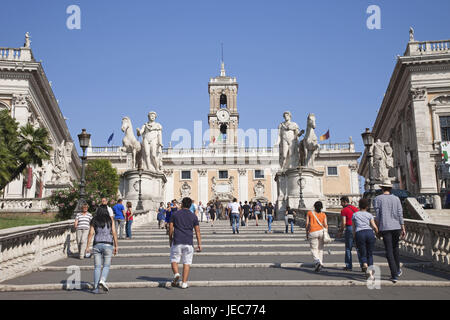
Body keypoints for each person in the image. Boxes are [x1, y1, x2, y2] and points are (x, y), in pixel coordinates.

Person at [373, 181, 406, 283]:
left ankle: (394, 274)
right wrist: (403, 227)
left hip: (385, 227)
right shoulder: (396, 199)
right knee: (395, 248)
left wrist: (377, 229)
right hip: (396, 227)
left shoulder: (377, 199)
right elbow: (400, 213)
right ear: (390, 189)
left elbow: (377, 216)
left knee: (389, 251)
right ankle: (397, 269)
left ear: (382, 188)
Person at [169, 197, 202, 289]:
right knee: (187, 263)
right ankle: (184, 283)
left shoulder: (175, 214)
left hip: (177, 240)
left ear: (182, 204)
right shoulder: (193, 216)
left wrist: (170, 239)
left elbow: (170, 228)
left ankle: (176, 273)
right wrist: (199, 244)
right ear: (190, 205)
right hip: (188, 242)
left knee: (174, 260)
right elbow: (197, 231)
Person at [85, 203, 119, 294]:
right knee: (106, 265)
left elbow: (91, 233)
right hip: (108, 244)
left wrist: (87, 246)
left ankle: (95, 288)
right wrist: (116, 246)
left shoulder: (94, 219)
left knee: (97, 267)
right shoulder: (110, 220)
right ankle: (102, 280)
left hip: (97, 244)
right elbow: (114, 233)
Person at [352, 198, 379, 280]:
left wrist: (354, 237)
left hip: (359, 233)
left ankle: (365, 264)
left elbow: (353, 228)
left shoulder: (355, 215)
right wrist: (377, 233)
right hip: (369, 233)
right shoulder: (369, 215)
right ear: (367, 206)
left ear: (359, 206)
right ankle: (371, 274)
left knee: (362, 252)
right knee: (370, 254)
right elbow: (374, 226)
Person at [338, 196, 361, 271]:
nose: (340, 204)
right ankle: (363, 264)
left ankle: (348, 265)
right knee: (358, 248)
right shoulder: (355, 209)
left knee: (348, 248)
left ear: (344, 202)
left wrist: (341, 231)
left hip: (349, 228)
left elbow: (344, 222)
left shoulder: (344, 210)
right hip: (357, 228)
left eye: (341, 202)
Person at [306, 201, 328, 272]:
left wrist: (306, 233)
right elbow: (325, 225)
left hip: (312, 231)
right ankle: (321, 263)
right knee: (320, 248)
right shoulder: (323, 214)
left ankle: (317, 261)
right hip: (321, 232)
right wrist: (326, 233)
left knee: (313, 249)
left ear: (314, 206)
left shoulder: (309, 213)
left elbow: (307, 224)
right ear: (321, 207)